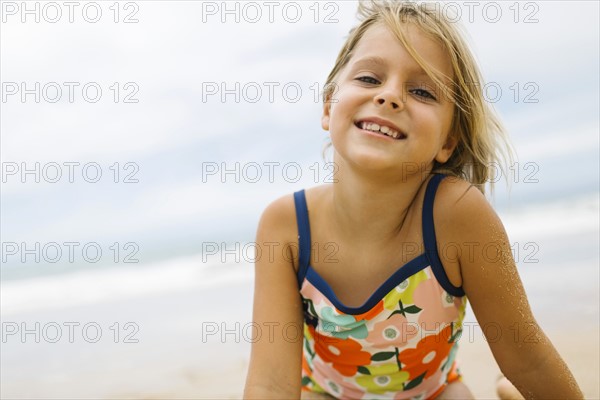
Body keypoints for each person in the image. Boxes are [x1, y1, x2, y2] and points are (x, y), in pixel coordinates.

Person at [243, 1, 583, 398]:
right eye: (369, 78)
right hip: (327, 393)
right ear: (328, 105)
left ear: (448, 141)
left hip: (435, 392)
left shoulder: (456, 215)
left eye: (421, 91)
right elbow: (271, 383)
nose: (389, 97)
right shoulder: (286, 226)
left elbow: (526, 357)